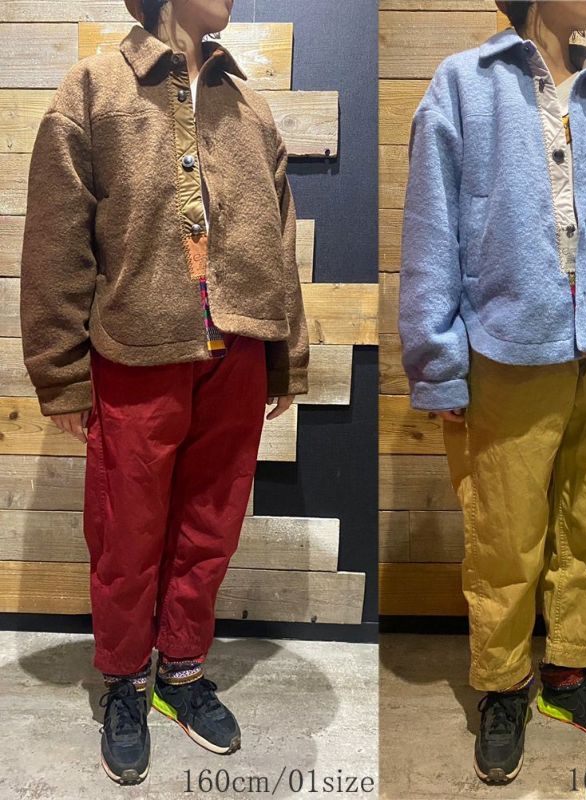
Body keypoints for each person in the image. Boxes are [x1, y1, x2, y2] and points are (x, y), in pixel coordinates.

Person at [19, 0, 309, 785]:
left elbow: (280, 234)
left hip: (237, 348)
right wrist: (60, 371)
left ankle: (181, 669)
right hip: (135, 352)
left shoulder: (248, 104)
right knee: (127, 533)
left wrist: (286, 355)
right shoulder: (93, 90)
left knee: (211, 525)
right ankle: (124, 680)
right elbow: (55, 238)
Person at [398, 0, 586, 785]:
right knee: (505, 536)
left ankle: (569, 676)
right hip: (510, 351)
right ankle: (502, 686)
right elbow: (430, 228)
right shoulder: (463, 84)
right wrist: (436, 360)